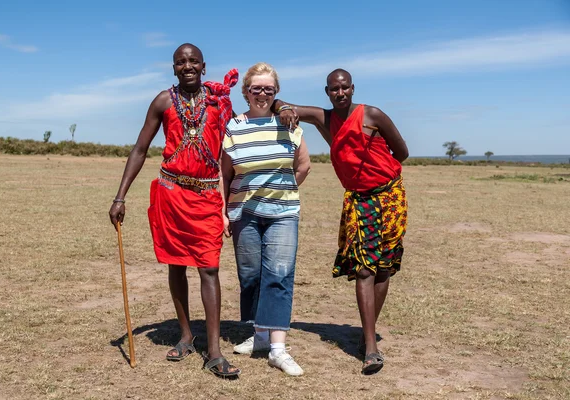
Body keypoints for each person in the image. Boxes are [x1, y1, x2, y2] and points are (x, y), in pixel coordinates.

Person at [108, 43, 241, 378]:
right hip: (171, 193)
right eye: (181, 62)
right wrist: (120, 196)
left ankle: (213, 351)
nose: (187, 66)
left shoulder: (219, 101)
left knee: (209, 268)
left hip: (207, 195)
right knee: (177, 265)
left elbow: (239, 134)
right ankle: (185, 335)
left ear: (204, 66)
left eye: (193, 61)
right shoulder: (163, 101)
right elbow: (140, 148)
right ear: (173, 68)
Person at [273, 69, 408, 375]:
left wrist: (377, 166)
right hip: (359, 201)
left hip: (389, 196)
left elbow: (402, 152)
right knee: (363, 268)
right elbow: (280, 102)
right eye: (334, 89)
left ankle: (366, 334)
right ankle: (371, 348)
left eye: (345, 88)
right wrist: (283, 110)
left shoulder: (372, 115)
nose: (340, 93)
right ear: (327, 91)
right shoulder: (325, 119)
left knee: (384, 267)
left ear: (353, 89)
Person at [221, 62, 311, 376]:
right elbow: (226, 173)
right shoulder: (233, 127)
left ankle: (278, 348)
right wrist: (224, 210)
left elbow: (303, 166)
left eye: (268, 89)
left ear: (276, 93)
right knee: (251, 275)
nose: (261, 93)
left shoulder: (289, 124)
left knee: (280, 274)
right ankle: (259, 337)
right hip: (243, 213)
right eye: (256, 88)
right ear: (246, 92)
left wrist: (280, 190)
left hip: (283, 213)